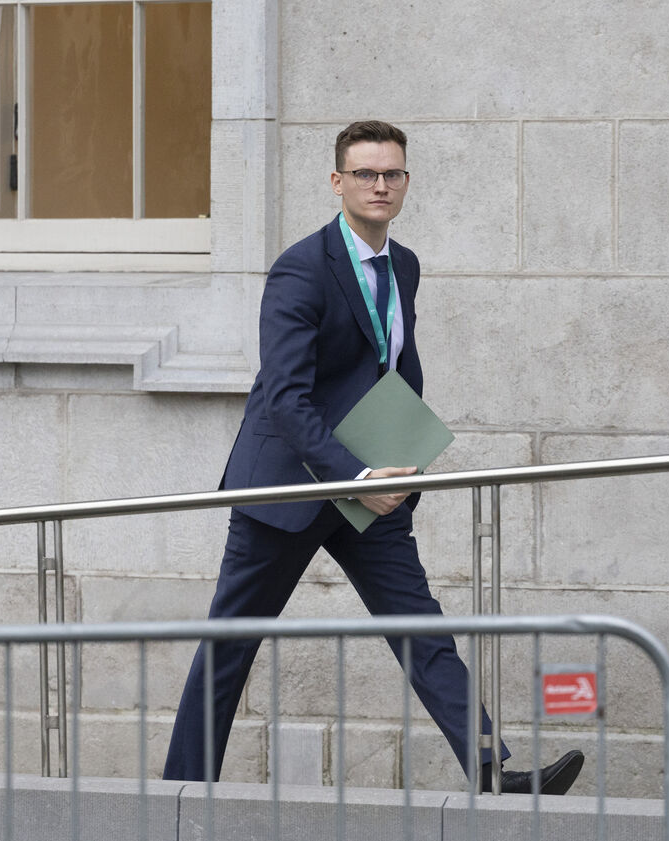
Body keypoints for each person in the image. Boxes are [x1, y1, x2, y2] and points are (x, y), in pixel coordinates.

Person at [162, 120, 584, 795]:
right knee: (231, 644)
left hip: (371, 487)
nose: (379, 184)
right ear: (338, 183)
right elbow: (284, 398)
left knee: (421, 628)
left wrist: (400, 466)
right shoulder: (301, 269)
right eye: (365, 173)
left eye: (391, 173)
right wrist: (353, 476)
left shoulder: (404, 265)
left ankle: (491, 770)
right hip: (287, 490)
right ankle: (179, 790)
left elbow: (392, 369)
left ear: (406, 182)